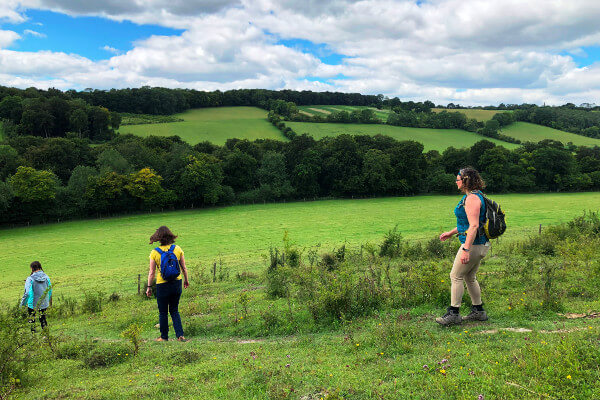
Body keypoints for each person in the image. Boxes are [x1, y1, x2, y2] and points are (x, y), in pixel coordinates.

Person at [436, 167, 490, 326]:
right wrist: (452, 232)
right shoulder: (477, 196)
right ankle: (478, 311)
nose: (456, 182)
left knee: (456, 276)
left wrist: (466, 249)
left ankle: (454, 314)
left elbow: (473, 226)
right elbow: (469, 224)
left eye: (458, 179)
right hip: (480, 244)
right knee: (469, 277)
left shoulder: (472, 199)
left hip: (473, 244)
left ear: (465, 181)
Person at [146, 226, 189, 341]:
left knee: (163, 312)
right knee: (174, 310)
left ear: (158, 238)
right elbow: (184, 267)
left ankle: (164, 337)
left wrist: (149, 287)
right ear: (170, 235)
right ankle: (180, 335)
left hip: (162, 285)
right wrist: (186, 280)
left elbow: (151, 272)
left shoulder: (155, 252)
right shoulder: (177, 249)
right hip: (176, 282)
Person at [20, 261, 52, 332]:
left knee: (32, 319)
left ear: (31, 268)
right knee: (43, 319)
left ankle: (33, 336)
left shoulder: (30, 279)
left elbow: (27, 293)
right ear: (40, 267)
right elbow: (50, 290)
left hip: (32, 302)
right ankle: (46, 335)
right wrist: (47, 301)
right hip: (44, 302)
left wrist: (23, 304)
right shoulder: (46, 277)